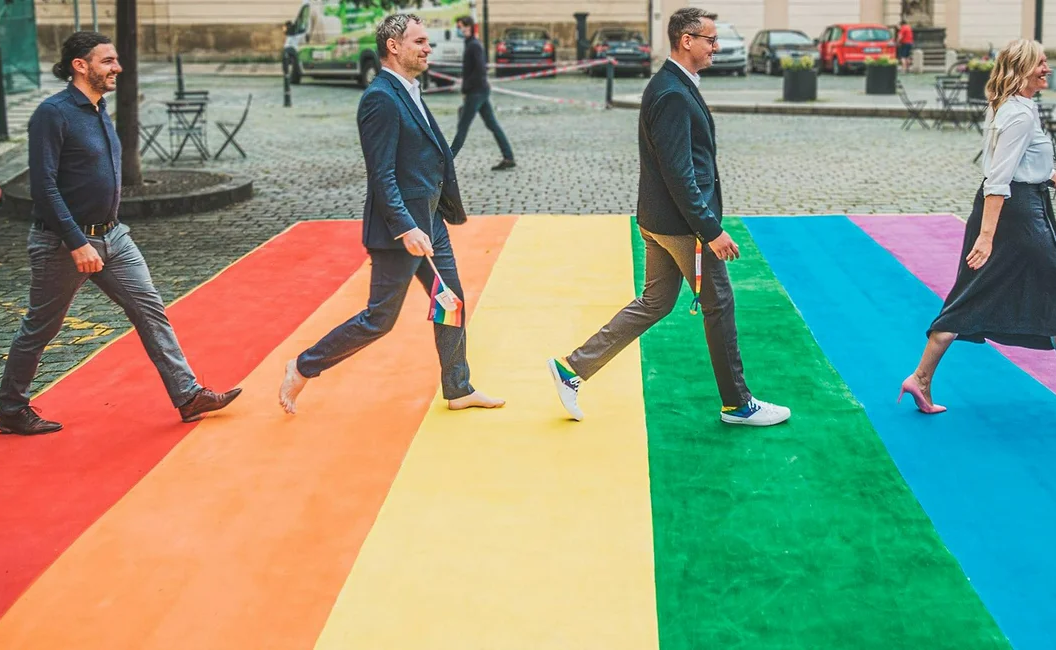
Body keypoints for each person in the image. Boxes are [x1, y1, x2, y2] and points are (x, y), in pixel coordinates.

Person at [545, 7, 790, 427]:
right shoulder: (672, 93)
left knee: (655, 302)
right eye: (710, 40)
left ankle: (573, 367)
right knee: (720, 304)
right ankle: (738, 403)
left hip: (660, 220)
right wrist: (710, 229)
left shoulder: (671, 84)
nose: (717, 46)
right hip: (681, 226)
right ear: (686, 40)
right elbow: (679, 173)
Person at [0, 31, 241, 436]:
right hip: (64, 243)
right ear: (81, 65)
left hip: (114, 237)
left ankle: (188, 394)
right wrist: (76, 242)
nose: (118, 68)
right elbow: (44, 186)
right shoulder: (52, 114)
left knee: (150, 310)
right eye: (108, 60)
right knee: (42, 326)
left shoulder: (98, 108)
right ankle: (12, 409)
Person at [279, 14, 504, 415]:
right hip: (400, 230)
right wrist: (405, 228)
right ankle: (302, 366)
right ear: (394, 46)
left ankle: (458, 388)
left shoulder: (411, 89)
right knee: (379, 319)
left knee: (450, 301)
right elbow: (380, 174)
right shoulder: (380, 98)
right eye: (419, 41)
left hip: (429, 221)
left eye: (427, 41)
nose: (428, 47)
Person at [898, 38, 1056, 423]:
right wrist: (986, 236)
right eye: (1041, 63)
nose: (1047, 68)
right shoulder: (1018, 114)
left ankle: (920, 378)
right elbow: (999, 179)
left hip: (1012, 208)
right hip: (1015, 215)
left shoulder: (1016, 107)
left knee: (969, 294)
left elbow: (1031, 169)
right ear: (1021, 70)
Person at [448, 15, 516, 171]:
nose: (459, 30)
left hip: (476, 92)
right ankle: (509, 156)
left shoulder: (474, 45)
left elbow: (479, 70)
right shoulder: (470, 44)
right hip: (479, 91)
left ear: (469, 27)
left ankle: (447, 161)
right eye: (458, 27)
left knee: (462, 127)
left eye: (461, 27)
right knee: (492, 124)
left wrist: (466, 89)